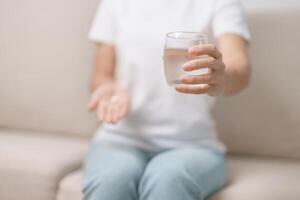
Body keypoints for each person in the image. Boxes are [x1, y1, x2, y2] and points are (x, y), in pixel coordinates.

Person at [83, 0, 251, 200]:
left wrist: (222, 78)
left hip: (192, 145)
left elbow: (239, 68)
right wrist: (107, 88)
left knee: (167, 180)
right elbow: (101, 76)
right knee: (110, 181)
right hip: (119, 139)